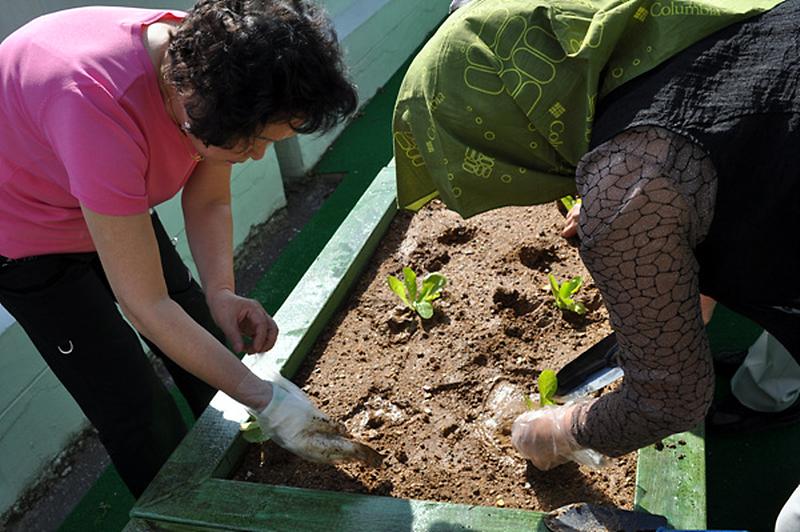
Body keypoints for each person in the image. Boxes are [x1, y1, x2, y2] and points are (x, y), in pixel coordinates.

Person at [392, 0, 800, 528]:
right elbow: (744, 152)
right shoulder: (674, 27)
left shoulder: (629, 187)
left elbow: (671, 400)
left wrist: (560, 431)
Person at [0, 0, 366, 498]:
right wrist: (269, 400)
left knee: (198, 321)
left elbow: (210, 197)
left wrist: (221, 291)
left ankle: (237, 461)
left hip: (96, 189)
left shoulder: (217, 64)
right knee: (134, 404)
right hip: (23, 231)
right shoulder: (97, 107)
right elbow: (145, 304)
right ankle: (179, 512)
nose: (257, 155)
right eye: (255, 142)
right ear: (200, 112)